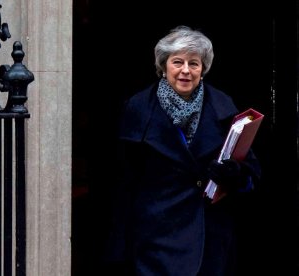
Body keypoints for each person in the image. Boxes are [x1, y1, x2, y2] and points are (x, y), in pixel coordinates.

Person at [103, 25, 261, 276]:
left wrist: (234, 174)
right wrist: (119, 245)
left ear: (203, 69)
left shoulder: (223, 105)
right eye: (178, 62)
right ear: (163, 67)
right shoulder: (138, 108)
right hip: (155, 236)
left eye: (194, 63)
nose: (186, 70)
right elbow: (121, 182)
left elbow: (250, 172)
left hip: (209, 236)